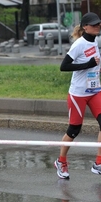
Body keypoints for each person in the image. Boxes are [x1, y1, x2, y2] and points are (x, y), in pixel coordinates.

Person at [54, 12, 101, 179]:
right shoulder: (79, 44)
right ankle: (61, 161)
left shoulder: (95, 41)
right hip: (78, 93)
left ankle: (99, 163)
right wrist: (87, 64)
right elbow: (64, 66)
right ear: (85, 27)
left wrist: (96, 69)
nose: (98, 26)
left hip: (95, 91)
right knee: (74, 130)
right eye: (94, 24)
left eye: (99, 24)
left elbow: (94, 65)